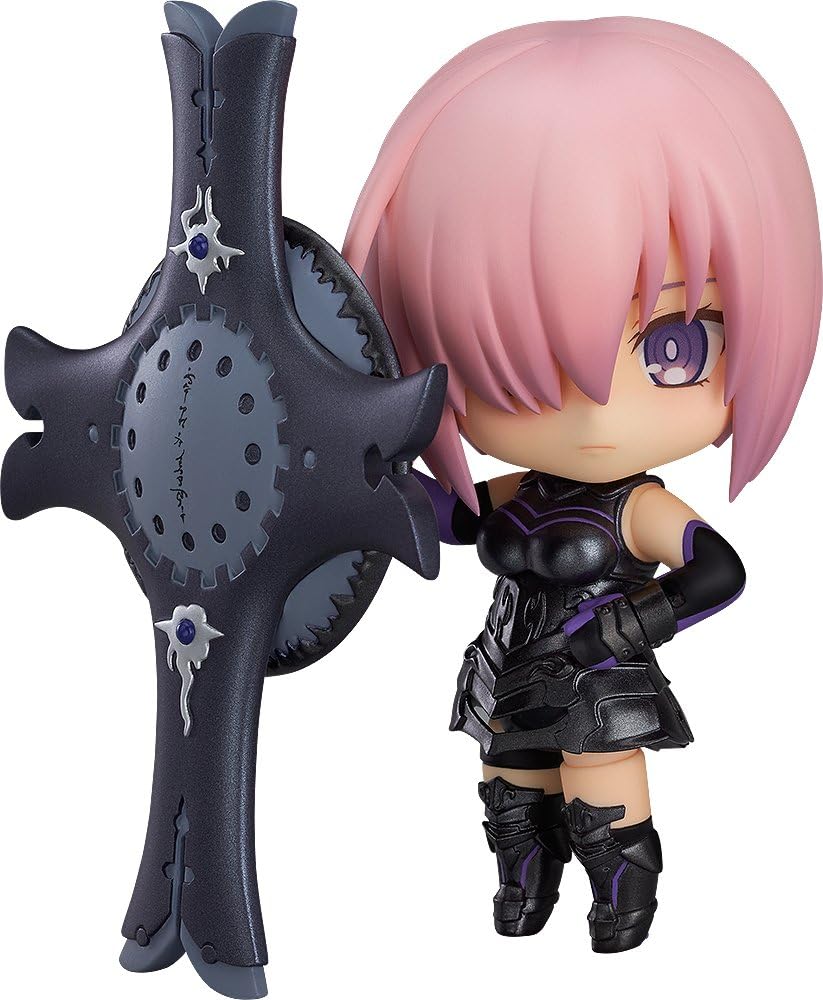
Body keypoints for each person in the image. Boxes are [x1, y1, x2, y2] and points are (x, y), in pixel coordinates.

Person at [343, 17, 821, 953]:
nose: (597, 406)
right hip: (508, 661)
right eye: (506, 361)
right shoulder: (516, 492)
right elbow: (446, 515)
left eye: (674, 346)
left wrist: (627, 626)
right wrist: (357, 477)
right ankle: (522, 892)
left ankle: (621, 906)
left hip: (597, 674)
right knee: (509, 792)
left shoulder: (636, 508)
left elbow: (716, 572)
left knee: (600, 792)